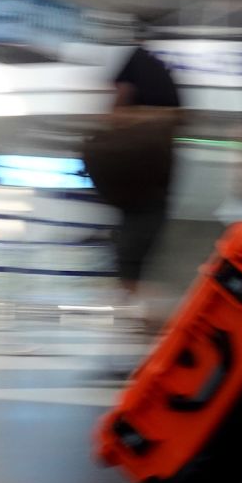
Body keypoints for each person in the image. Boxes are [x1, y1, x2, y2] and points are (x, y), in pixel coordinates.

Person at [82, 39, 183, 331]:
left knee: (132, 262)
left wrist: (117, 119)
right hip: (150, 193)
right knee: (136, 259)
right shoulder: (156, 73)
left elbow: (121, 99)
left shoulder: (135, 64)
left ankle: (153, 321)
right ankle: (149, 320)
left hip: (139, 193)